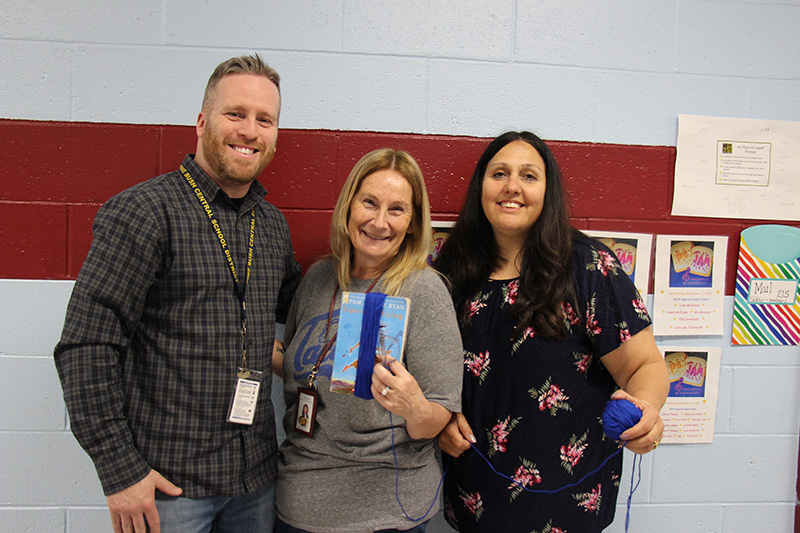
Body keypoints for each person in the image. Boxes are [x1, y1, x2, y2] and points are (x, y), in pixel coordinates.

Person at [53, 54, 302, 533]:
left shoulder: (270, 225)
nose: (250, 130)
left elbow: (302, 308)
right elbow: (85, 347)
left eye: (264, 120)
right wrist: (119, 470)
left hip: (256, 481)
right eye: (236, 114)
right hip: (171, 488)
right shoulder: (144, 213)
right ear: (203, 121)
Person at [435, 131, 669, 532]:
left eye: (529, 176)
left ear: (548, 191)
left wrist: (646, 411)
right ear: (481, 187)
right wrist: (440, 420)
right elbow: (433, 372)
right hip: (475, 501)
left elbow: (643, 365)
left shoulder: (588, 266)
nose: (512, 186)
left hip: (568, 508)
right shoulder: (452, 268)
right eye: (499, 174)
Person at [272, 148, 463, 533]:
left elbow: (435, 421)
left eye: (397, 210)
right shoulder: (317, 279)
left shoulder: (425, 291)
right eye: (370, 203)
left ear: (412, 223)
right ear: (348, 206)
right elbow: (301, 366)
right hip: (299, 503)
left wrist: (413, 406)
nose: (379, 222)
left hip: (386, 512)